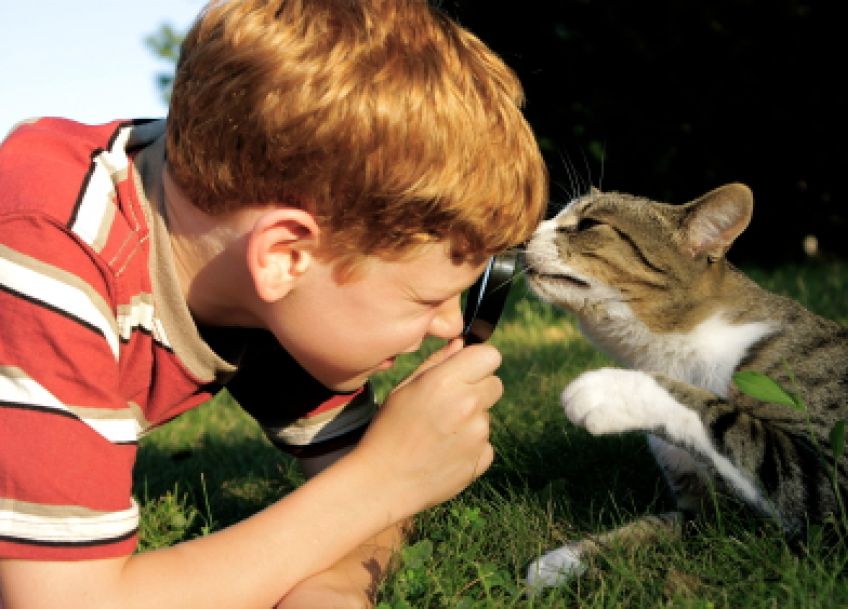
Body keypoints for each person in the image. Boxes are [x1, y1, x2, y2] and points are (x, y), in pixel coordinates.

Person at [0, 0, 547, 607]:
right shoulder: (45, 248)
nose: (448, 325)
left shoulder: (267, 282)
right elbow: (66, 601)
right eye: (428, 298)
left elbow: (358, 482)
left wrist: (337, 584)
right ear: (285, 255)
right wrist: (384, 481)